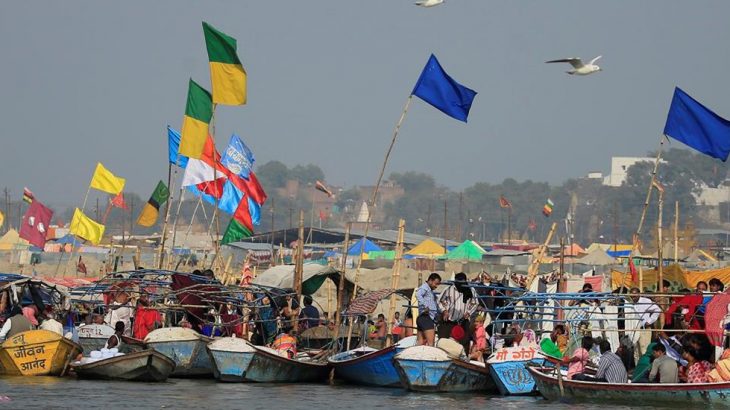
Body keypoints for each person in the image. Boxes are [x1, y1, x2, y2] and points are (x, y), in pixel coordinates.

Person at [438, 272, 478, 352]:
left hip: (463, 321)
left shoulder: (470, 290)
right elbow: (439, 301)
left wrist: (469, 312)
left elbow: (475, 303)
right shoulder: (448, 289)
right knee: (444, 341)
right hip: (449, 320)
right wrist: (444, 310)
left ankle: (463, 359)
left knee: (464, 342)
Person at [628, 287, 662, 360]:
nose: (633, 297)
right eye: (631, 296)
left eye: (634, 295)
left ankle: (645, 369)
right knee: (636, 352)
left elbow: (657, 310)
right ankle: (638, 369)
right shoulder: (630, 303)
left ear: (639, 294)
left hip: (644, 330)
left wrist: (649, 321)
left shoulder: (645, 301)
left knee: (644, 351)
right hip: (634, 330)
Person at [416, 273, 441, 346]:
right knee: (431, 343)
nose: (436, 286)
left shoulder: (430, 290)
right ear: (430, 280)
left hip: (423, 318)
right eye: (435, 284)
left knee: (420, 342)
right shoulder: (425, 287)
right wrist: (425, 306)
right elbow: (418, 294)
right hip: (426, 317)